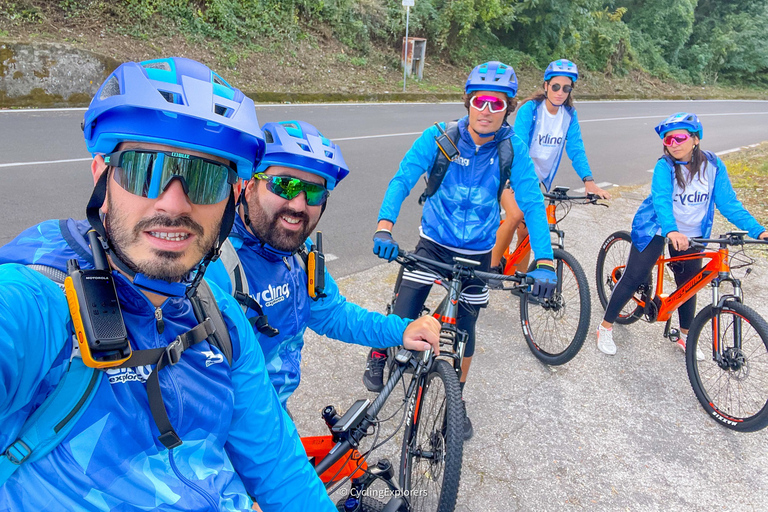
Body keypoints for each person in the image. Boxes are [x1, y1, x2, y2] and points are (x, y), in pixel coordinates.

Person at [0, 57, 335, 511]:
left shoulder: (219, 314)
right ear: (102, 176)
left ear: (230, 200)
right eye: (143, 169)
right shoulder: (38, 298)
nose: (175, 203)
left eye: (205, 178)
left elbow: (281, 471)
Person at [362, 61, 557, 440]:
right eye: (480, 101)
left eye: (496, 104)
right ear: (468, 102)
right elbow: (402, 179)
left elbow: (532, 204)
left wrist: (545, 260)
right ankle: (379, 352)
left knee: (465, 331)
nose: (486, 110)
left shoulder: (511, 149)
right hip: (433, 243)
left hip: (476, 254)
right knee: (402, 314)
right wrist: (385, 226)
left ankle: (457, 399)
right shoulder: (439, 138)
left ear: (508, 109)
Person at [206, 120, 441, 409]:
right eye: (285, 185)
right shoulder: (213, 264)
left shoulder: (299, 256)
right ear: (249, 185)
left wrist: (401, 331)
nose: (299, 205)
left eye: (314, 193)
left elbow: (334, 315)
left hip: (274, 410)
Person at [596, 112, 768, 356]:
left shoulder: (713, 166)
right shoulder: (664, 166)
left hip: (692, 234)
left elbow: (729, 204)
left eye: (679, 138)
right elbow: (662, 201)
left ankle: (685, 336)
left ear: (695, 139)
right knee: (635, 276)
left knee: (688, 285)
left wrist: (758, 231)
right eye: (668, 140)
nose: (673, 144)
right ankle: (605, 327)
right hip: (656, 227)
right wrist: (672, 230)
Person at [491, 59, 611, 275]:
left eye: (566, 88)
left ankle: (519, 278)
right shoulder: (531, 110)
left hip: (537, 181)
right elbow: (518, 146)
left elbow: (576, 148)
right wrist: (518, 180)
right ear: (546, 86)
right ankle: (490, 268)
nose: (560, 92)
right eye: (555, 86)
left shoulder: (569, 116)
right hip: (511, 173)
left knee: (527, 231)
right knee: (516, 215)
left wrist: (589, 181)